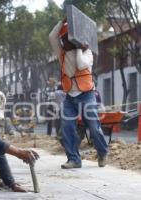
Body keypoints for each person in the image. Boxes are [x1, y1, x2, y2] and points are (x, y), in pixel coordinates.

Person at [49, 17, 109, 169]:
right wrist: (61, 22)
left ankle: (102, 152)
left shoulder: (87, 53)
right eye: (64, 37)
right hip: (70, 96)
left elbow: (81, 64)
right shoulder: (61, 53)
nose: (65, 40)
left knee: (94, 127)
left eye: (68, 37)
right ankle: (74, 159)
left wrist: (79, 49)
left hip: (87, 94)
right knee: (67, 127)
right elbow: (51, 37)